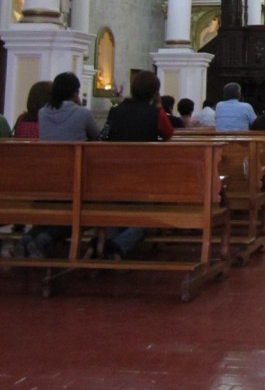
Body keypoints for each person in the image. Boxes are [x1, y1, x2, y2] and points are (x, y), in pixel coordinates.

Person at [15, 72, 99, 258]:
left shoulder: (43, 113)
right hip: (74, 178)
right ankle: (45, 238)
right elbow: (97, 137)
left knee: (51, 214)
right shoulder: (83, 113)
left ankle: (27, 239)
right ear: (75, 92)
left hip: (48, 179)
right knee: (81, 213)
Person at [103, 70, 173, 259]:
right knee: (150, 215)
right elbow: (168, 134)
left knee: (116, 211)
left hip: (116, 173)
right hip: (144, 175)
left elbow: (104, 136)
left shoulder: (116, 111)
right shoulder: (154, 113)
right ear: (154, 92)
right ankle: (117, 247)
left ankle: (107, 246)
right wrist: (159, 107)